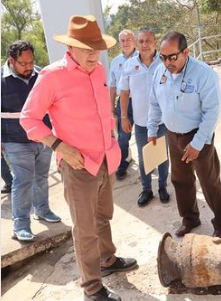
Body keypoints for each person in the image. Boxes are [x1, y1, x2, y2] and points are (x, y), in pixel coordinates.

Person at [20, 15, 137, 301]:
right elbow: (29, 118)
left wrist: (112, 141)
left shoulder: (98, 71)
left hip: (106, 158)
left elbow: (100, 112)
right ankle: (92, 289)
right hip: (77, 165)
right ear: (70, 48)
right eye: (87, 48)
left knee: (103, 217)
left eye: (97, 47)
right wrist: (58, 145)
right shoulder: (52, 76)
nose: (94, 54)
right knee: (85, 229)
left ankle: (107, 260)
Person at [147, 32, 221, 238]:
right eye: (163, 57)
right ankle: (190, 219)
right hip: (173, 135)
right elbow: (155, 103)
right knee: (180, 180)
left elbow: (212, 112)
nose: (167, 62)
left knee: (209, 181)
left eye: (172, 57)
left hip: (198, 135)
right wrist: (151, 130)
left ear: (186, 52)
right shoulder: (159, 72)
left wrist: (198, 143)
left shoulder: (204, 74)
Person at [1, 40, 61, 241]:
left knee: (41, 177)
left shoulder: (41, 75)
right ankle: (21, 225)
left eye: (31, 62)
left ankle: (43, 210)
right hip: (15, 140)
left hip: (43, 138)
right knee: (23, 181)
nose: (29, 67)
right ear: (11, 61)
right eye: (23, 63)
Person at [120, 28, 170, 207]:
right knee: (144, 158)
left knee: (162, 156)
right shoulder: (129, 65)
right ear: (137, 43)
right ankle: (147, 189)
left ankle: (162, 187)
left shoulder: (164, 63)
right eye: (141, 41)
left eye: (148, 40)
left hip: (162, 121)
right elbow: (124, 93)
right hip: (140, 123)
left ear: (155, 42)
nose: (145, 44)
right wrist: (124, 117)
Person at [108, 29, 137, 180]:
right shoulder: (115, 62)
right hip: (123, 103)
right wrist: (111, 106)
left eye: (128, 39)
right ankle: (123, 161)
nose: (126, 43)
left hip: (141, 101)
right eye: (123, 41)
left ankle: (150, 161)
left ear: (134, 40)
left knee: (145, 134)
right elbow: (112, 86)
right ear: (119, 43)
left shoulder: (142, 58)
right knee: (123, 136)